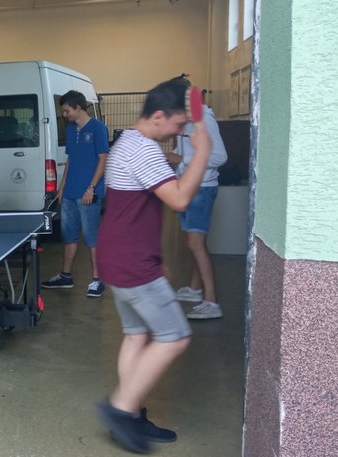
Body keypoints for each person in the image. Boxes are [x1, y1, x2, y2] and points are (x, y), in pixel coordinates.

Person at [93, 79, 211, 453]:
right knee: (175, 337)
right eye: (179, 124)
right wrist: (203, 151)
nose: (181, 132)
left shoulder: (127, 142)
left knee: (136, 335)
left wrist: (157, 260)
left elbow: (136, 213)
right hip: (132, 263)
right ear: (158, 116)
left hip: (119, 257)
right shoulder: (144, 150)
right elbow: (178, 200)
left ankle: (130, 417)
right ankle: (120, 410)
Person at [164, 80, 228, 320]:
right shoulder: (188, 119)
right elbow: (186, 152)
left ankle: (212, 302)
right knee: (193, 242)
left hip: (202, 187)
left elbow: (220, 157)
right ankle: (194, 289)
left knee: (196, 243)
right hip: (189, 186)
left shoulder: (204, 119)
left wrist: (182, 160)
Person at [41, 91, 109, 297]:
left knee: (91, 237)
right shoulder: (71, 130)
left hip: (88, 193)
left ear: (78, 107)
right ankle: (65, 276)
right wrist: (62, 188)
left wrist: (91, 188)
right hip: (70, 193)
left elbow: (103, 159)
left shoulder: (98, 128)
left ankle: (97, 280)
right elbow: (70, 160)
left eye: (66, 110)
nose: (64, 114)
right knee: (68, 235)